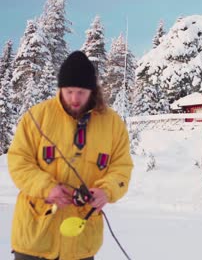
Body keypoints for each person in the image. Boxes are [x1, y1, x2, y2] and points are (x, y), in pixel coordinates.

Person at [7, 51, 133, 260]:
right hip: (34, 238)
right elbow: (19, 162)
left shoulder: (112, 124)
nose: (75, 99)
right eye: (69, 91)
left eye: (81, 92)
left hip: (80, 242)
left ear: (92, 91)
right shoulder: (36, 117)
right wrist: (46, 188)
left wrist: (106, 191)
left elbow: (122, 168)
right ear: (60, 89)